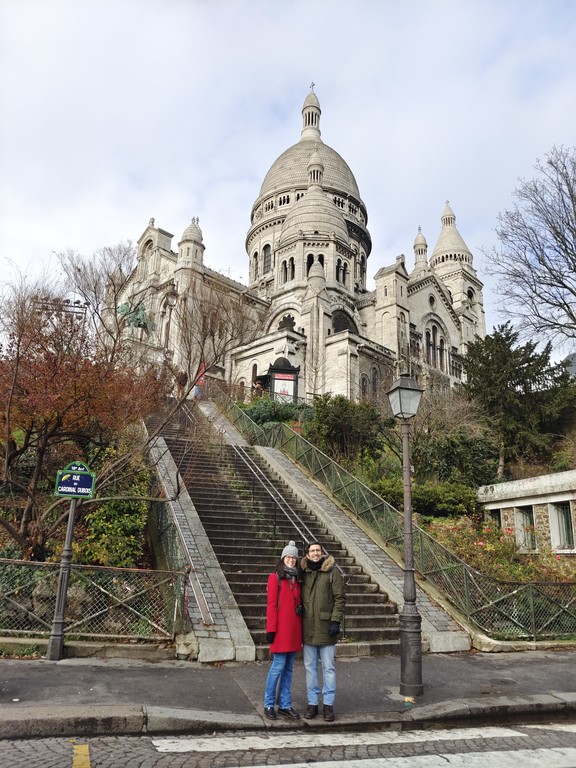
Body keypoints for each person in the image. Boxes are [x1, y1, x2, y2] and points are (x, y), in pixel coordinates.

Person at [300, 540, 346, 722]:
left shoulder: (332, 572)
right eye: (312, 551)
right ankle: (312, 703)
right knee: (310, 669)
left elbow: (340, 598)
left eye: (318, 550)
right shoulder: (303, 572)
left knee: (328, 668)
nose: (315, 553)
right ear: (307, 554)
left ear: (322, 552)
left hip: (326, 627)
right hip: (308, 628)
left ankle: (328, 704)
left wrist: (335, 621)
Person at [263, 540, 303, 721]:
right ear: (283, 558)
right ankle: (269, 703)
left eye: (293, 557)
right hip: (280, 631)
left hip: (293, 630)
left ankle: (285, 704)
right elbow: (271, 606)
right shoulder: (275, 578)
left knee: (288, 669)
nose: (291, 560)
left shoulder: (297, 579)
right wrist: (270, 629)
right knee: (277, 667)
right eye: (288, 556)